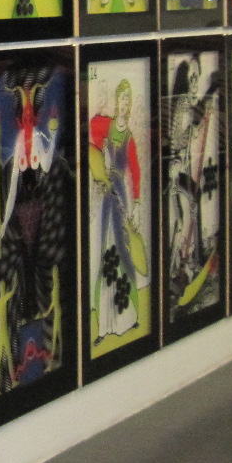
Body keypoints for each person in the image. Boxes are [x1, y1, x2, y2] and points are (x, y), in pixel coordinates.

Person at [89, 79, 142, 342]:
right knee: (102, 252)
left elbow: (136, 170)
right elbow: (92, 128)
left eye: (128, 100)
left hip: (119, 192)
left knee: (123, 250)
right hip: (105, 192)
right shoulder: (106, 125)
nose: (125, 104)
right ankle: (103, 325)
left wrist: (138, 202)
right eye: (122, 98)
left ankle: (132, 315)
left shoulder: (129, 138)